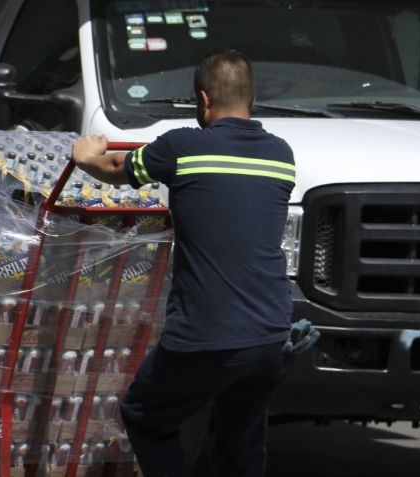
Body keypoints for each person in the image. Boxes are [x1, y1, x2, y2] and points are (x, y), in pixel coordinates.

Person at [72, 49, 295, 477]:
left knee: (144, 414)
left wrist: (87, 157)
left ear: (204, 100)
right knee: (241, 438)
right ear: (251, 99)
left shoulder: (183, 146)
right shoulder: (280, 155)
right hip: (271, 334)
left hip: (208, 333)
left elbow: (117, 166)